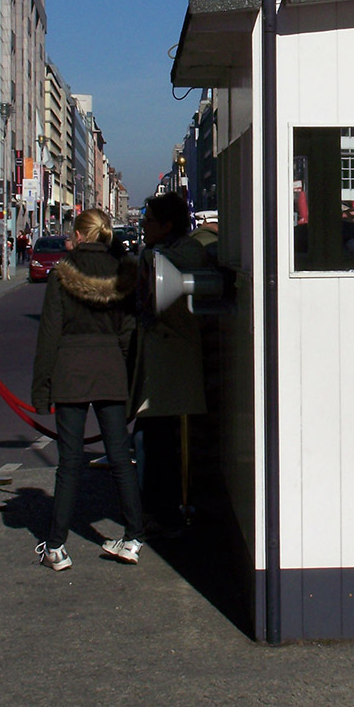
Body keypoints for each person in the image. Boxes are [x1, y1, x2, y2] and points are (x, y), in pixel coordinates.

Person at [31, 208, 143, 570]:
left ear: (79, 235)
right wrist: (125, 370)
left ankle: (56, 546)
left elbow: (49, 333)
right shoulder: (122, 272)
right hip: (110, 367)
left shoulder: (62, 274)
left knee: (69, 462)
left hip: (70, 370)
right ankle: (133, 536)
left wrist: (41, 388)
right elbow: (128, 330)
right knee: (120, 459)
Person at [130, 192, 207, 534]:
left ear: (167, 225)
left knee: (157, 441)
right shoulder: (157, 253)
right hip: (161, 360)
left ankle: (158, 508)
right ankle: (153, 505)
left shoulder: (185, 254)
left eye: (149, 221)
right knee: (150, 437)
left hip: (173, 360)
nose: (144, 227)